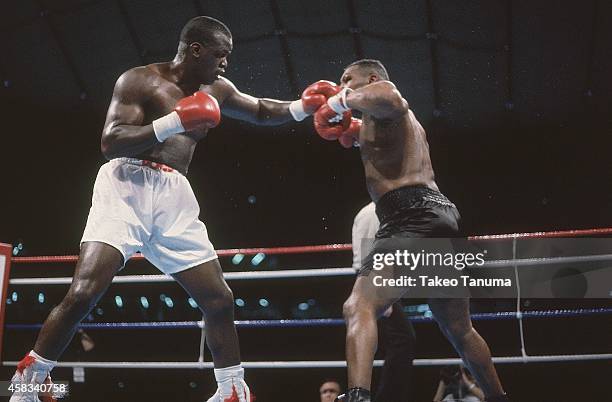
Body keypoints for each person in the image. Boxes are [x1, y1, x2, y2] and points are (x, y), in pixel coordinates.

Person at [9, 16, 337, 402]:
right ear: (195, 50)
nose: (225, 64)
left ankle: (232, 389)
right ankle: (29, 382)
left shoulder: (216, 89)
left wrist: (303, 107)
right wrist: (174, 121)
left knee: (219, 299)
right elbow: (112, 142)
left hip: (174, 194)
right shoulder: (139, 81)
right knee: (84, 292)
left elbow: (262, 110)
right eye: (220, 55)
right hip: (125, 185)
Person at [311, 59, 509, 402]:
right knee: (459, 329)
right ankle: (498, 397)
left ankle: (357, 396)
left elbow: (391, 97)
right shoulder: (379, 122)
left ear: (370, 79)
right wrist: (339, 122)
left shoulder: (389, 102)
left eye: (348, 80)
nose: (342, 84)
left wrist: (339, 100)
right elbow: (351, 137)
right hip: (438, 216)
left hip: (410, 215)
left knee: (358, 307)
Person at [352, 202, 416, 402]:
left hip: (384, 287)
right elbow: (363, 260)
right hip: (375, 288)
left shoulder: (393, 211)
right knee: (402, 339)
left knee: (392, 342)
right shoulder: (371, 213)